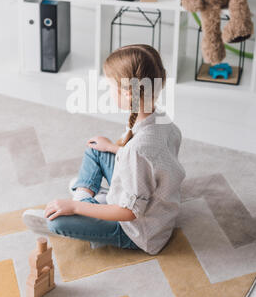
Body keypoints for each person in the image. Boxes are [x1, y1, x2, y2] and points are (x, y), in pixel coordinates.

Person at [23, 44, 185, 255]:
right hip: (151, 199)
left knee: (57, 223)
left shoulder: (137, 150)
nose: (108, 92)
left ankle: (83, 201)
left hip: (137, 231)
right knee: (96, 149)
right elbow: (152, 163)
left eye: (110, 87)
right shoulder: (161, 118)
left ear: (128, 94)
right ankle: (88, 197)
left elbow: (129, 213)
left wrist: (75, 208)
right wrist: (112, 148)